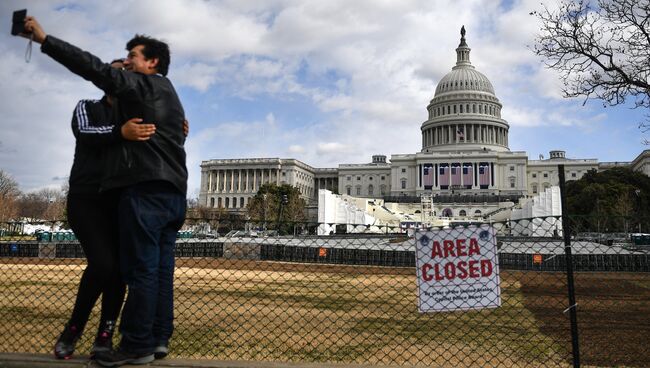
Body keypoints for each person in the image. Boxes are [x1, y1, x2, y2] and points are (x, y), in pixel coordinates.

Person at [22, 16, 188, 367]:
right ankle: (158, 339)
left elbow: (91, 66)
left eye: (132, 57)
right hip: (171, 194)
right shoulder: (166, 96)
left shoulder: (141, 88)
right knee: (156, 271)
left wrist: (44, 39)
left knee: (139, 271)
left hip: (144, 192)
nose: (126, 63)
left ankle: (136, 345)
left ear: (151, 63)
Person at [55, 59, 158, 360]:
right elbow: (86, 133)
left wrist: (175, 128)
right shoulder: (87, 106)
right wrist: (120, 132)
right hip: (87, 199)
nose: (120, 74)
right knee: (102, 264)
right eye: (114, 69)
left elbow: (156, 141)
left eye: (126, 70)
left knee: (119, 272)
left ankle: (105, 335)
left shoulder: (135, 116)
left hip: (120, 200)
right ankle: (73, 328)